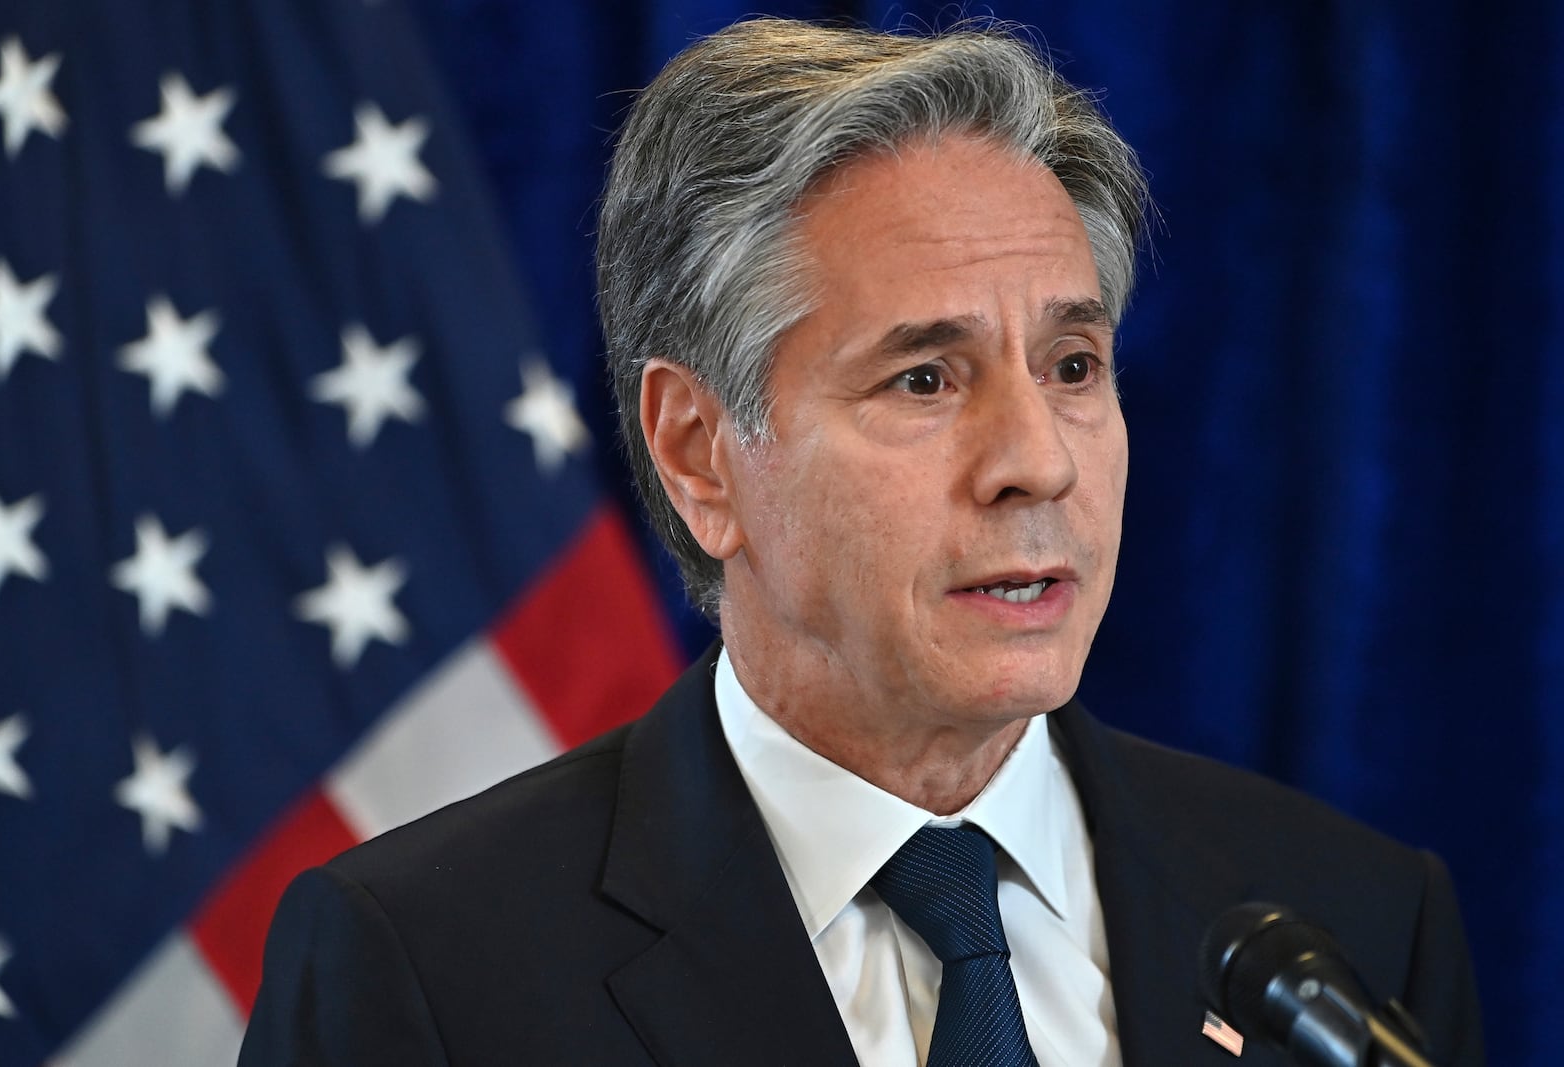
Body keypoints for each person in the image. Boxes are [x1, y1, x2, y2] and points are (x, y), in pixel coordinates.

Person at [240, 17, 1484, 1066]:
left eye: (1070, 364)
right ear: (697, 451)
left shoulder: (1352, 927)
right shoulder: (427, 972)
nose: (1036, 460)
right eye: (926, 379)